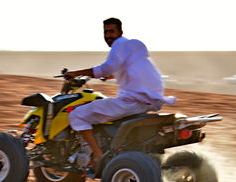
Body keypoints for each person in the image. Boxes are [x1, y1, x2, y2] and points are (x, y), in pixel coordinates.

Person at [64, 17, 175, 167]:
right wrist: (110, 76)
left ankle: (97, 156)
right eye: (105, 32)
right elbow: (127, 68)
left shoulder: (119, 45)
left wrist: (75, 73)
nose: (108, 35)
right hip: (151, 101)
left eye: (111, 31)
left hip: (131, 102)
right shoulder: (131, 48)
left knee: (77, 115)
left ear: (120, 32)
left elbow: (107, 67)